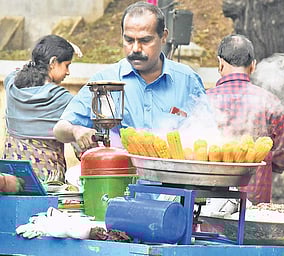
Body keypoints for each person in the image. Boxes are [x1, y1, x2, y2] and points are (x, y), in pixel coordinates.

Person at [53, 1, 205, 151]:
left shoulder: (187, 81)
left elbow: (210, 130)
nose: (136, 49)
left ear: (163, 36)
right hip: (120, 173)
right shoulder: (104, 81)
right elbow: (60, 129)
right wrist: (76, 130)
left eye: (145, 40)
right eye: (129, 40)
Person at [206, 34, 284, 204]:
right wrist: (260, 161)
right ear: (253, 66)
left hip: (209, 203)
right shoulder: (270, 102)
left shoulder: (204, 100)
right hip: (254, 203)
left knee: (209, 231)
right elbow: (283, 157)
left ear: (220, 63)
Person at [2, 35, 80, 183]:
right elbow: (80, 143)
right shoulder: (62, 99)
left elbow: (22, 70)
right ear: (53, 63)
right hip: (47, 183)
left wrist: (56, 48)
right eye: (67, 65)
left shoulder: (12, 87)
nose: (68, 72)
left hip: (9, 177)